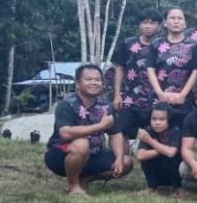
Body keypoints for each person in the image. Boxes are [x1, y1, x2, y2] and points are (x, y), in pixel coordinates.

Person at [44, 64, 132, 194]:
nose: (94, 83)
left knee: (126, 161)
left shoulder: (106, 106)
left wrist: (119, 157)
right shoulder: (67, 105)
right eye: (89, 79)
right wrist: (100, 126)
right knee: (82, 144)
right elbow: (65, 133)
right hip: (61, 154)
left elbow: (115, 134)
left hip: (94, 154)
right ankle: (73, 185)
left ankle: (85, 179)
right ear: (78, 83)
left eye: (97, 80)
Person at [111, 9, 162, 138]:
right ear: (139, 25)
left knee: (156, 134)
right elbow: (120, 68)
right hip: (129, 98)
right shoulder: (127, 44)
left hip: (155, 99)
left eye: (152, 23)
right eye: (144, 22)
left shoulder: (163, 46)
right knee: (122, 131)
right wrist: (117, 95)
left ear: (160, 26)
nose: (147, 26)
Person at [147, 7, 197, 119]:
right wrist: (160, 93)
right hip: (159, 98)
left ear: (185, 24)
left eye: (180, 18)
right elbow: (150, 69)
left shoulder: (194, 46)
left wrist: (182, 95)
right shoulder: (156, 44)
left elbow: (196, 72)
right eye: (172, 18)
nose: (176, 21)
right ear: (165, 23)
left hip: (185, 100)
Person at [135, 102, 183, 196]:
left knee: (170, 158)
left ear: (169, 120)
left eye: (162, 119)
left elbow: (171, 153)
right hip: (157, 172)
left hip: (175, 173)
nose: (157, 123)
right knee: (148, 158)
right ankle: (151, 187)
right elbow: (140, 156)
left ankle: (177, 187)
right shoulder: (148, 131)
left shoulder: (176, 131)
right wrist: (162, 150)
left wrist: (150, 141)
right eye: (154, 119)